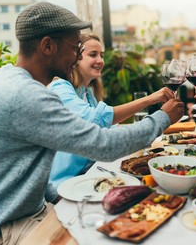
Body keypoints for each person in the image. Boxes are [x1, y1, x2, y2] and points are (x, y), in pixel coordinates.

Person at [0, 2, 184, 245]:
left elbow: (17, 167)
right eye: (75, 47)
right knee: (114, 243)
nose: (76, 56)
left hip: (14, 216)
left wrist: (54, 195)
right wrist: (162, 118)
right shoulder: (25, 94)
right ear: (47, 45)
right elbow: (103, 144)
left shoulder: (6, 79)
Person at [48, 33, 174, 190]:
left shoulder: (86, 92)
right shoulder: (60, 89)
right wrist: (151, 100)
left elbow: (108, 129)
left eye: (101, 55)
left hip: (88, 175)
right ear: (75, 58)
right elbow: (99, 120)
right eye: (93, 55)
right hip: (65, 184)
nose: (100, 61)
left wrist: (153, 134)